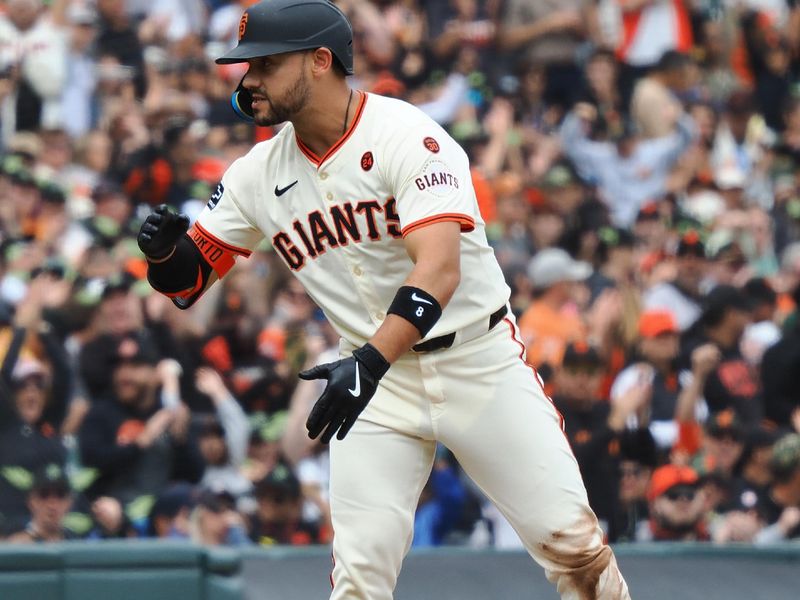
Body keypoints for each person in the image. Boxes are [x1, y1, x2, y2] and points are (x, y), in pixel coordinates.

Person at [136, 1, 629, 598]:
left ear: (320, 62)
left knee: (575, 552)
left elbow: (439, 270)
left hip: (474, 361)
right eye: (247, 66)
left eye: (265, 64)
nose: (249, 80)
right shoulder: (256, 172)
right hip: (373, 382)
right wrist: (164, 254)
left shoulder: (407, 135)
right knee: (359, 585)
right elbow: (185, 284)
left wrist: (369, 362)